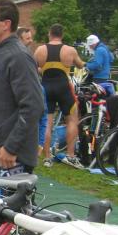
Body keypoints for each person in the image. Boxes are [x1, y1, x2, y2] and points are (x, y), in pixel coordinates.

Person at [0, 0, 44, 185]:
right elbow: (5, 95)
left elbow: (33, 106)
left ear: (6, 24)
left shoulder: (18, 56)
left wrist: (11, 147)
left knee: (4, 205)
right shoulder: (1, 52)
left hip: (8, 157)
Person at [34, 23, 86, 169]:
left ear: (49, 34)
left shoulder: (40, 50)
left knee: (47, 123)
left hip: (46, 88)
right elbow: (81, 65)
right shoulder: (70, 50)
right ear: (62, 35)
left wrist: (44, 69)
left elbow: (33, 67)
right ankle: (71, 156)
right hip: (64, 88)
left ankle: (47, 158)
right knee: (72, 120)